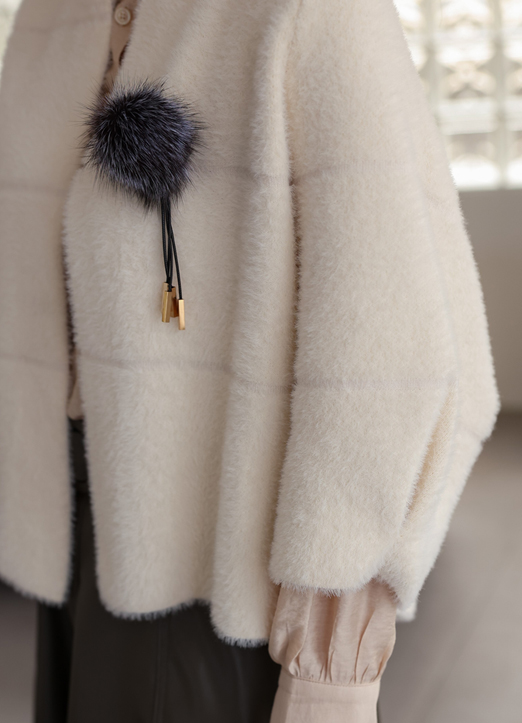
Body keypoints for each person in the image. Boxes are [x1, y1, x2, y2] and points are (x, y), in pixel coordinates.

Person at [0, 0, 498, 721]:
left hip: (221, 580)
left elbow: (396, 350)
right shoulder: (50, 16)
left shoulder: (310, 11)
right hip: (65, 540)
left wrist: (332, 650)